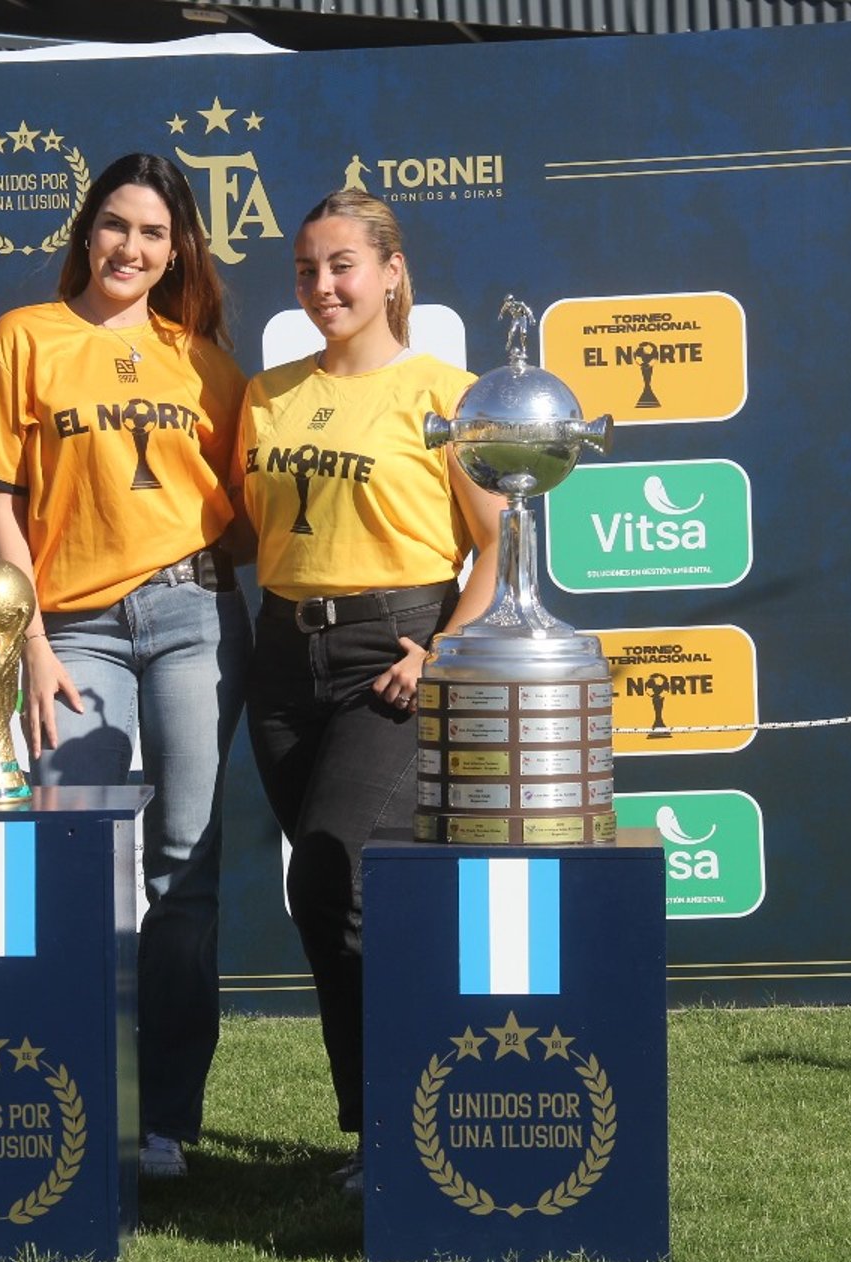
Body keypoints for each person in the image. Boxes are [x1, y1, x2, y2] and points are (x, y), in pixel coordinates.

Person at [0, 153, 251, 1179]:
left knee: (183, 869)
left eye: (154, 233)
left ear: (178, 251)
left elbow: (247, 509)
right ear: (87, 231)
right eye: (117, 225)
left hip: (194, 613)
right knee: (74, 858)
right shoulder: (24, 336)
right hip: (70, 629)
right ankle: (70, 1098)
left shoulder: (202, 360)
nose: (132, 247)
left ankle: (163, 1118)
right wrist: (29, 643)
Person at [232, 190, 503, 1195]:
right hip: (281, 658)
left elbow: (500, 547)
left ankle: (401, 1123)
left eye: (342, 264)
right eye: (307, 268)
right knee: (324, 897)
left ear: (392, 272)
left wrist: (438, 651)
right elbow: (245, 527)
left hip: (391, 653)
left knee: (337, 875)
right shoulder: (266, 394)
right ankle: (379, 1122)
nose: (322, 285)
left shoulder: (448, 394)